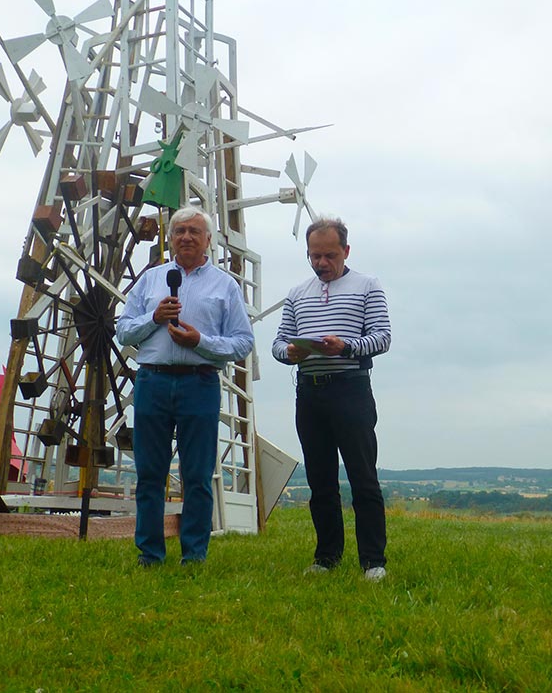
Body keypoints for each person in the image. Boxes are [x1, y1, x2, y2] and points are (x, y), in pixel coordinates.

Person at [117, 205, 254, 567]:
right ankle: (150, 554)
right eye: (180, 231)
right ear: (171, 238)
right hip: (153, 380)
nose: (187, 237)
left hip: (200, 382)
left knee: (197, 474)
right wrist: (154, 317)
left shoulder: (225, 285)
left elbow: (243, 342)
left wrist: (201, 342)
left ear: (208, 239)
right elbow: (123, 331)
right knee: (150, 473)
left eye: (195, 231)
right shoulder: (151, 280)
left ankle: (194, 555)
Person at [272, 215, 392, 581]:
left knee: (362, 477)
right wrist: (290, 353)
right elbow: (278, 343)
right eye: (315, 256)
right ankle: (327, 557)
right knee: (320, 480)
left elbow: (382, 337)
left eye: (329, 255)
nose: (322, 263)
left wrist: (346, 347)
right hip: (309, 391)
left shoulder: (368, 286)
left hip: (350, 389)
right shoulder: (297, 293)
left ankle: (373, 561)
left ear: (346, 251)